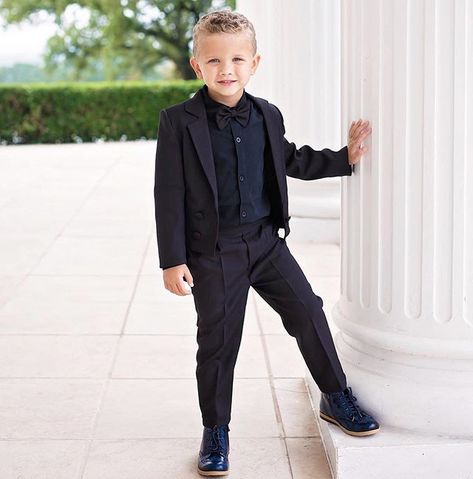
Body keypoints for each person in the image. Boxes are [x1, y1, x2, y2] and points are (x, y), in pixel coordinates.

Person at [154, 8, 379, 477]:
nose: (226, 69)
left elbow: (290, 159)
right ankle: (216, 431)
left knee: (309, 311)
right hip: (214, 253)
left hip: (266, 244)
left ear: (254, 63)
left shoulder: (266, 115)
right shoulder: (178, 122)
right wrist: (172, 260)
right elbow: (168, 192)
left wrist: (344, 158)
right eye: (214, 61)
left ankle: (336, 397)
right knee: (218, 342)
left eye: (237, 59)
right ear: (198, 66)